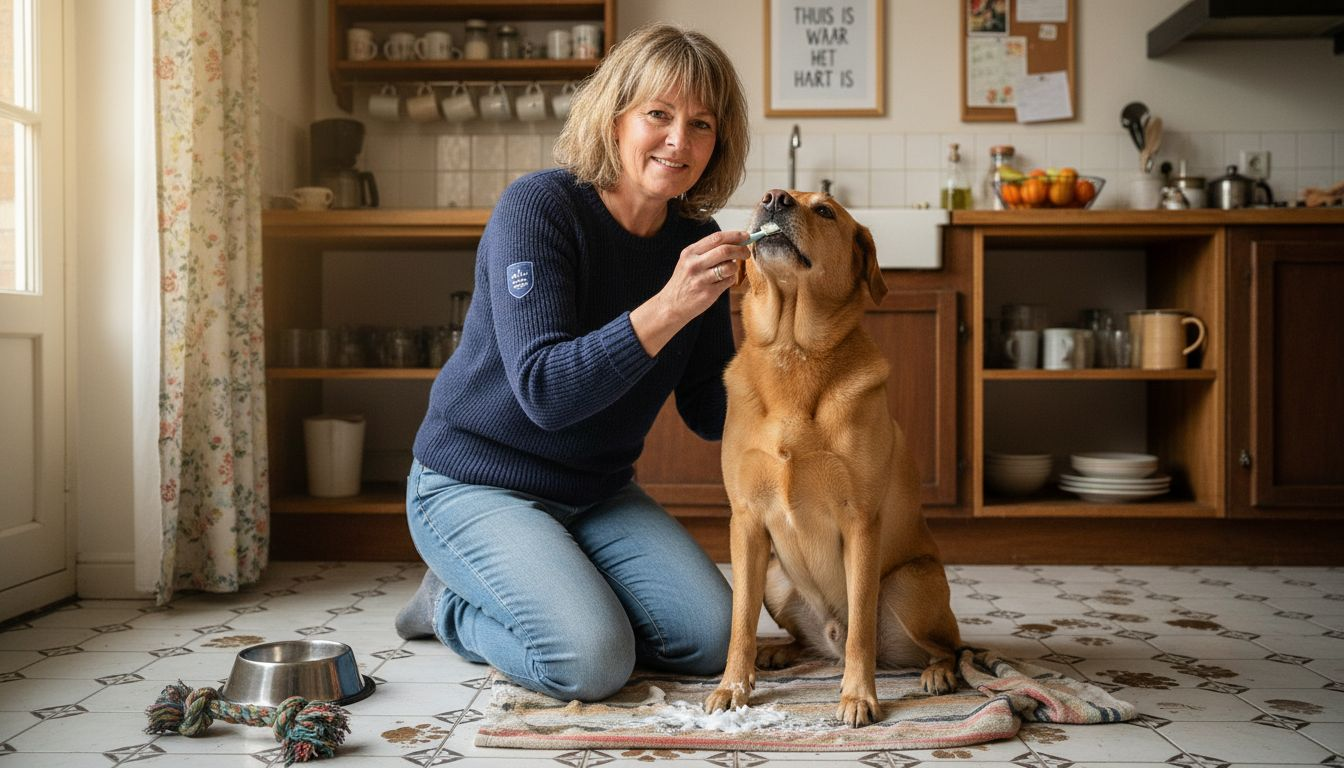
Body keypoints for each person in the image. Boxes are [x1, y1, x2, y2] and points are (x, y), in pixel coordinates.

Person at [394, 22, 751, 703]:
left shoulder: (696, 239)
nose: (680, 141)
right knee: (591, 663)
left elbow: (710, 409)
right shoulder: (540, 208)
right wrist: (671, 304)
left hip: (595, 491)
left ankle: (555, 579)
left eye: (702, 124)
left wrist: (796, 371)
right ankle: (450, 608)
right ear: (616, 118)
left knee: (711, 640)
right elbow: (544, 392)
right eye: (659, 114)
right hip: (472, 483)